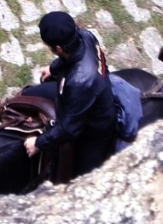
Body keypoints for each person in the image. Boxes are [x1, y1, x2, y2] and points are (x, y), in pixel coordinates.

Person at [21, 11, 117, 179]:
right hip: (74, 92)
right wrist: (53, 69)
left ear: (58, 48)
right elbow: (67, 59)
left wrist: (38, 143)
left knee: (81, 181)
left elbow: (69, 129)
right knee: (27, 95)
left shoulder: (79, 81)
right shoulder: (85, 36)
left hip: (94, 126)